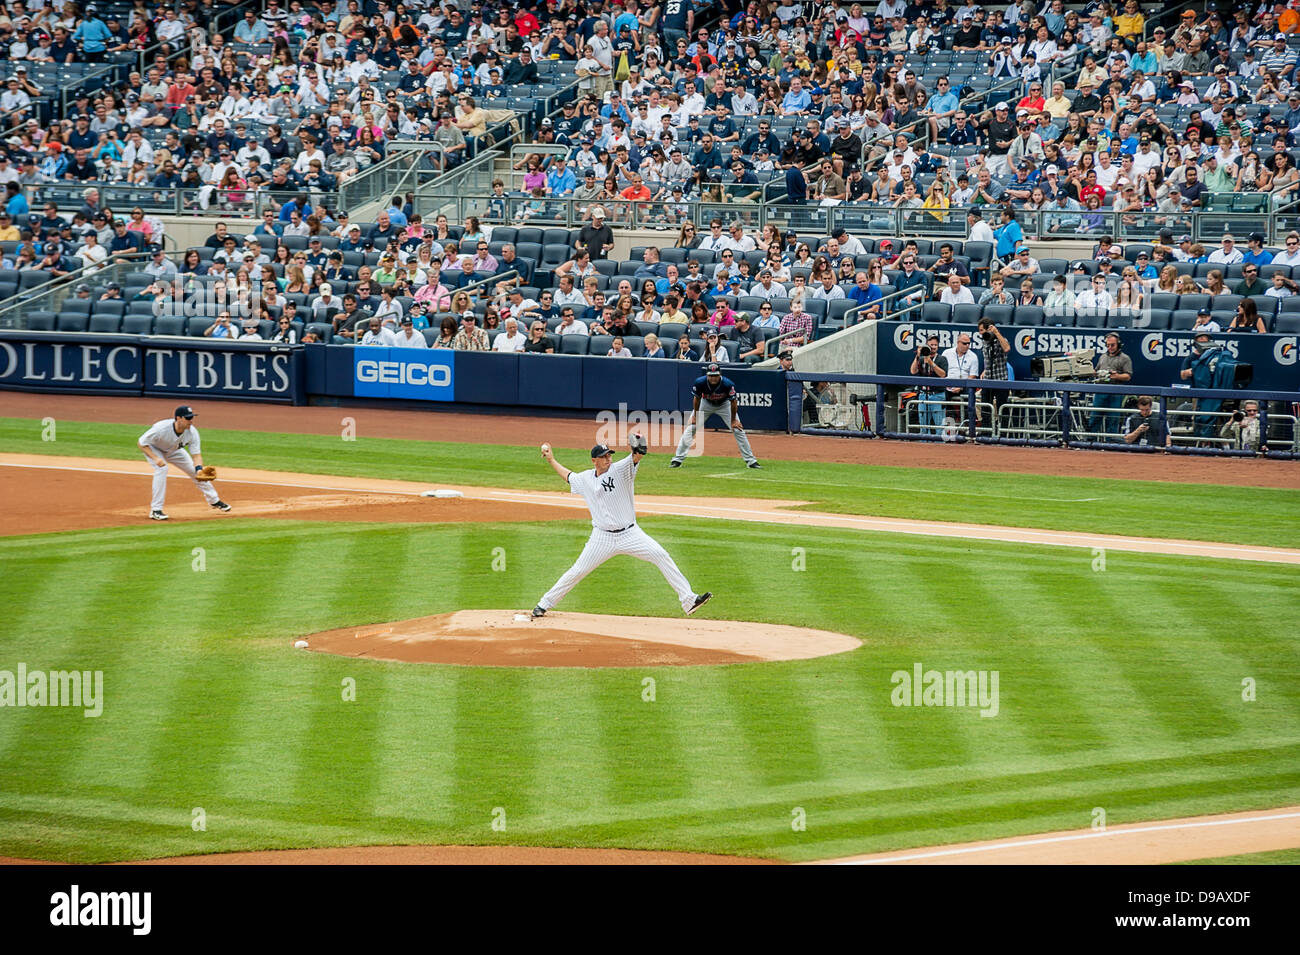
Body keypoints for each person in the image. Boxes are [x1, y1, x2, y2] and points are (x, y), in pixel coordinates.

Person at [531, 438, 712, 619]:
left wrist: (638, 447)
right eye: (603, 456)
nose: (608, 458)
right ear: (594, 460)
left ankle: (689, 600)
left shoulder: (621, 470)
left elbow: (637, 456)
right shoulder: (585, 478)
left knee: (661, 555)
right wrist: (551, 460)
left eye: (609, 455)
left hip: (630, 534)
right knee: (578, 571)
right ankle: (544, 604)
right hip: (601, 538)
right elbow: (569, 477)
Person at [136, 405, 230, 520]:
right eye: (188, 418)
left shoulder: (192, 432)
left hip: (174, 451)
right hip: (154, 449)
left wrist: (199, 469)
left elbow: (196, 455)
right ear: (178, 418)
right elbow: (141, 443)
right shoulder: (161, 428)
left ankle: (214, 501)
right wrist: (156, 458)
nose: (191, 421)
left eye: (192, 418)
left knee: (195, 472)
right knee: (162, 469)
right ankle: (156, 510)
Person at [668, 363, 761, 469]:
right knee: (691, 428)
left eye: (715, 375)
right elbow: (697, 399)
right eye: (711, 375)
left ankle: (751, 461)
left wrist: (734, 420)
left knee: (738, 430)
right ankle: (677, 460)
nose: (713, 378)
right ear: (707, 375)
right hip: (706, 404)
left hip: (724, 405)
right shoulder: (700, 382)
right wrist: (695, 415)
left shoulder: (727, 384)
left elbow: (733, 402)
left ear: (720, 374)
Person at [1089, 333, 1133, 437]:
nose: (1110, 347)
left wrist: (1116, 376)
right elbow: (1096, 370)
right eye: (1107, 345)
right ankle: (1089, 442)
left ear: (1119, 344)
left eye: (1112, 345)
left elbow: (1128, 376)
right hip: (1100, 391)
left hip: (1115, 392)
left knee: (1113, 419)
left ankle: (1111, 443)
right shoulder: (1102, 357)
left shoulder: (1125, 358)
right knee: (1095, 418)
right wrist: (1094, 373)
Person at [909, 333, 948, 434]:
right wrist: (918, 355)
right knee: (923, 428)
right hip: (923, 395)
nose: (933, 347)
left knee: (939, 428)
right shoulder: (921, 359)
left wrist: (931, 363)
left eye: (935, 345)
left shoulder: (942, 359)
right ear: (927, 345)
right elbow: (913, 371)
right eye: (931, 345)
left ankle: (940, 447)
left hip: (937, 396)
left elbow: (943, 374)